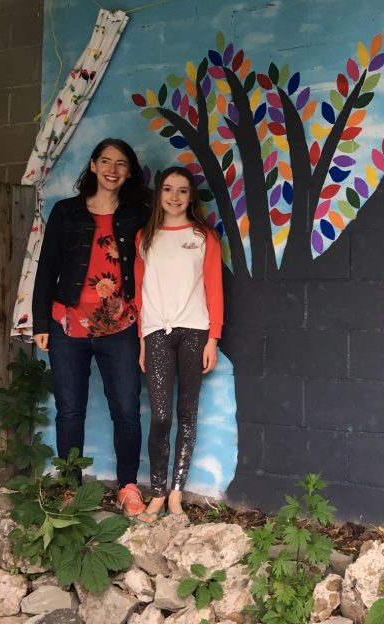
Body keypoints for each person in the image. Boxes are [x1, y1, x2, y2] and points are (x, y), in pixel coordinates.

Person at [32, 138, 152, 516]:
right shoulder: (65, 212)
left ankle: (128, 485)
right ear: (94, 165)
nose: (112, 169)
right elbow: (47, 268)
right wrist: (40, 321)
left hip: (122, 326)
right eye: (106, 161)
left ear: (129, 171)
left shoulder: (139, 213)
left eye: (121, 163)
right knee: (70, 410)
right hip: (68, 324)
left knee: (127, 409)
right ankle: (70, 486)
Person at [133, 166, 224, 522]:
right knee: (160, 415)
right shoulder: (145, 238)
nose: (174, 197)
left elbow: (214, 290)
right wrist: (142, 341)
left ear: (191, 197)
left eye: (182, 191)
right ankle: (156, 492)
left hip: (194, 333)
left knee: (187, 414)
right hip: (156, 334)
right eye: (167, 189)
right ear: (158, 194)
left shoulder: (204, 238)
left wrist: (212, 339)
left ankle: (175, 494)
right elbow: (140, 295)